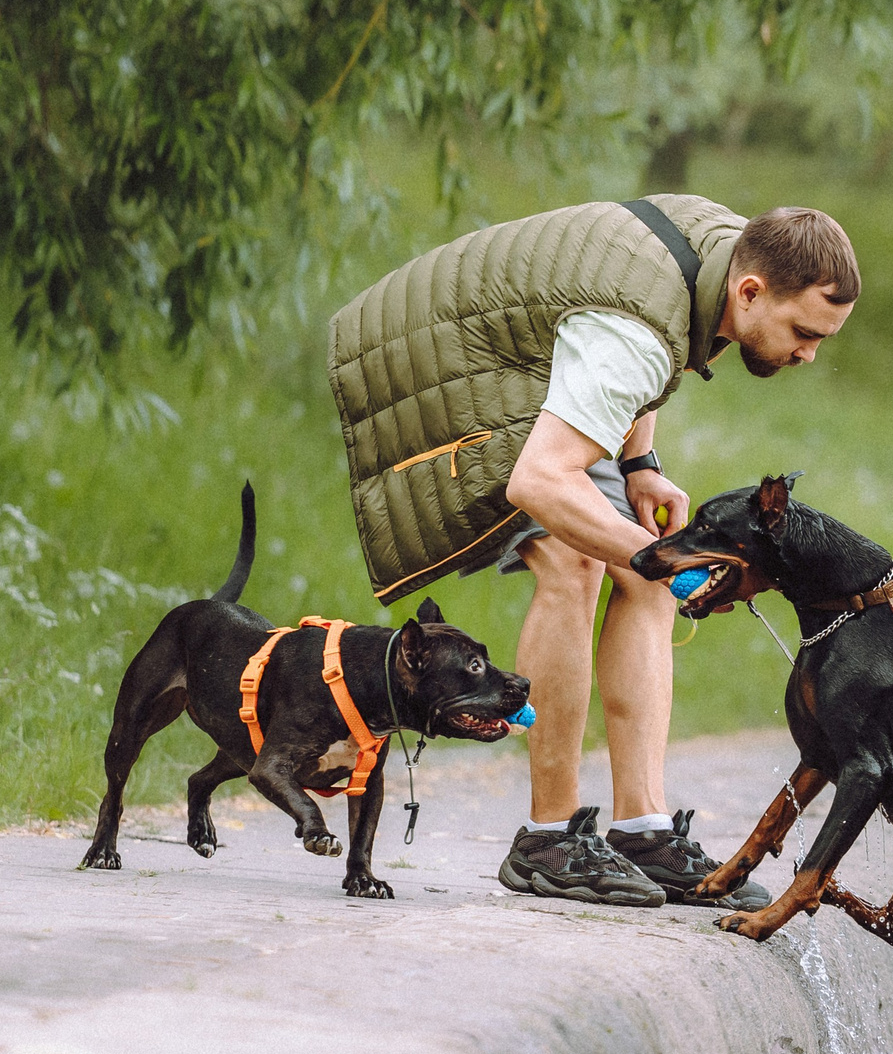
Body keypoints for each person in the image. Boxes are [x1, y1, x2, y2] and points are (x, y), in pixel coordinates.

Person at [327, 197, 859, 909]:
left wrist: (641, 464)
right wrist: (663, 556)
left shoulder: (731, 256)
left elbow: (651, 348)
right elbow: (542, 476)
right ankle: (547, 835)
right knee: (573, 558)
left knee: (646, 575)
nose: (808, 353)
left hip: (535, 358)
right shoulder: (641, 324)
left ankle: (642, 829)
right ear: (752, 292)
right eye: (802, 332)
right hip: (449, 358)